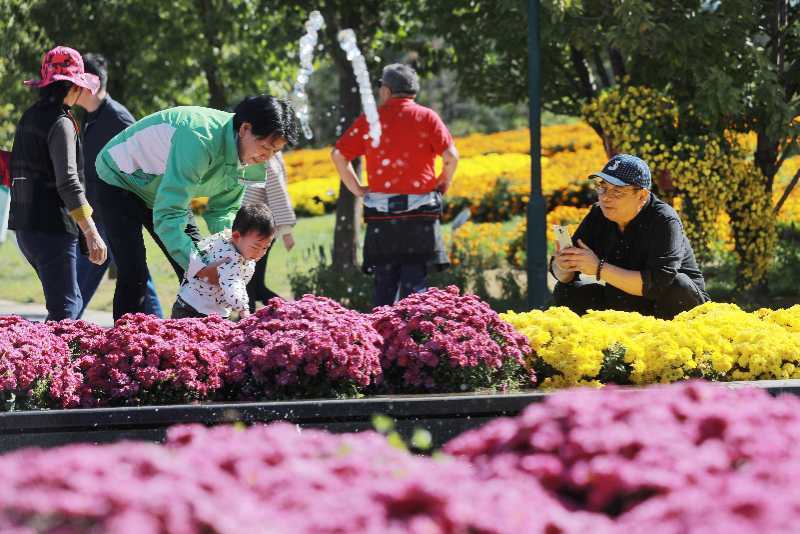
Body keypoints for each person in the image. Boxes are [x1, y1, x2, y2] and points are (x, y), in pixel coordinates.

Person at [95, 95, 297, 320]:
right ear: (245, 129)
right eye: (265, 147)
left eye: (274, 152)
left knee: (204, 266)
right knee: (135, 272)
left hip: (167, 189)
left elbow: (223, 210)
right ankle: (125, 347)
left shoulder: (253, 158)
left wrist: (234, 248)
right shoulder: (199, 138)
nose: (267, 157)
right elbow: (168, 214)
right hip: (120, 178)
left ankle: (198, 344)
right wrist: (199, 265)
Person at [331, 63, 460, 307]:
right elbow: (451, 157)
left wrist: (358, 188)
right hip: (420, 215)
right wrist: (443, 183)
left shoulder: (372, 120)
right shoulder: (427, 117)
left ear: (387, 91)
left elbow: (339, 155)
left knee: (384, 287)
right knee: (415, 289)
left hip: (382, 218)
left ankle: (380, 339)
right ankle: (414, 340)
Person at [8, 46, 108, 321]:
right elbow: (69, 183)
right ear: (71, 87)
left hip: (25, 228)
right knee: (66, 312)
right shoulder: (61, 123)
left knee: (69, 302)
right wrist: (91, 231)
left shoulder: (30, 115)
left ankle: (51, 360)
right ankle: (52, 363)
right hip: (51, 228)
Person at [551, 154, 710, 319]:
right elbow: (564, 274)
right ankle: (596, 342)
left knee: (678, 284)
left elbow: (657, 285)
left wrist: (599, 268)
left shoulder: (664, 219)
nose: (605, 197)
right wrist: (563, 265)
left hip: (672, 307)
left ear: (642, 196)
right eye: (602, 187)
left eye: (617, 192)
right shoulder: (599, 214)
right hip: (624, 302)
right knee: (567, 289)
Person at [74, 53, 163, 318]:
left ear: (91, 84)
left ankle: (162, 338)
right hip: (97, 216)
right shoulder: (89, 117)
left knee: (136, 282)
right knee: (77, 289)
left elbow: (144, 168)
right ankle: (56, 344)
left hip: (116, 215)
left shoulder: (118, 119)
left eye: (75, 81)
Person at [172, 203, 276, 319]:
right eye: (256, 247)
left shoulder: (242, 251)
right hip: (192, 310)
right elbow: (232, 283)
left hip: (213, 310)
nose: (260, 253)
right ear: (236, 236)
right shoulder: (228, 256)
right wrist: (243, 309)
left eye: (265, 247)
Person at [243, 152, 296, 311]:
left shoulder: (265, 152)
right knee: (254, 284)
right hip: (254, 226)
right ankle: (292, 314)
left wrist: (286, 230)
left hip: (256, 227)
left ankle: (293, 314)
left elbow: (277, 190)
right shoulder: (265, 150)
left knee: (250, 283)